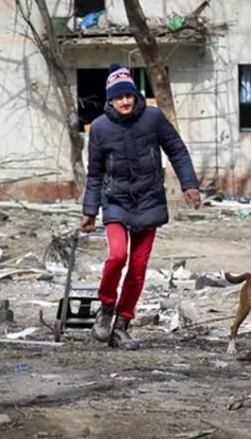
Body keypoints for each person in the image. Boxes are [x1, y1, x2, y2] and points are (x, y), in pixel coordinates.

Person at [79, 64, 201, 349]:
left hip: (149, 200)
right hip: (116, 201)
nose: (124, 102)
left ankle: (122, 325)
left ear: (135, 95)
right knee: (118, 256)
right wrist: (90, 211)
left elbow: (177, 150)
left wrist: (189, 184)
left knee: (138, 268)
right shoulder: (99, 128)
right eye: (118, 98)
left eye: (128, 96)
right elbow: (95, 173)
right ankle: (106, 306)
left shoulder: (153, 118)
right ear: (110, 100)